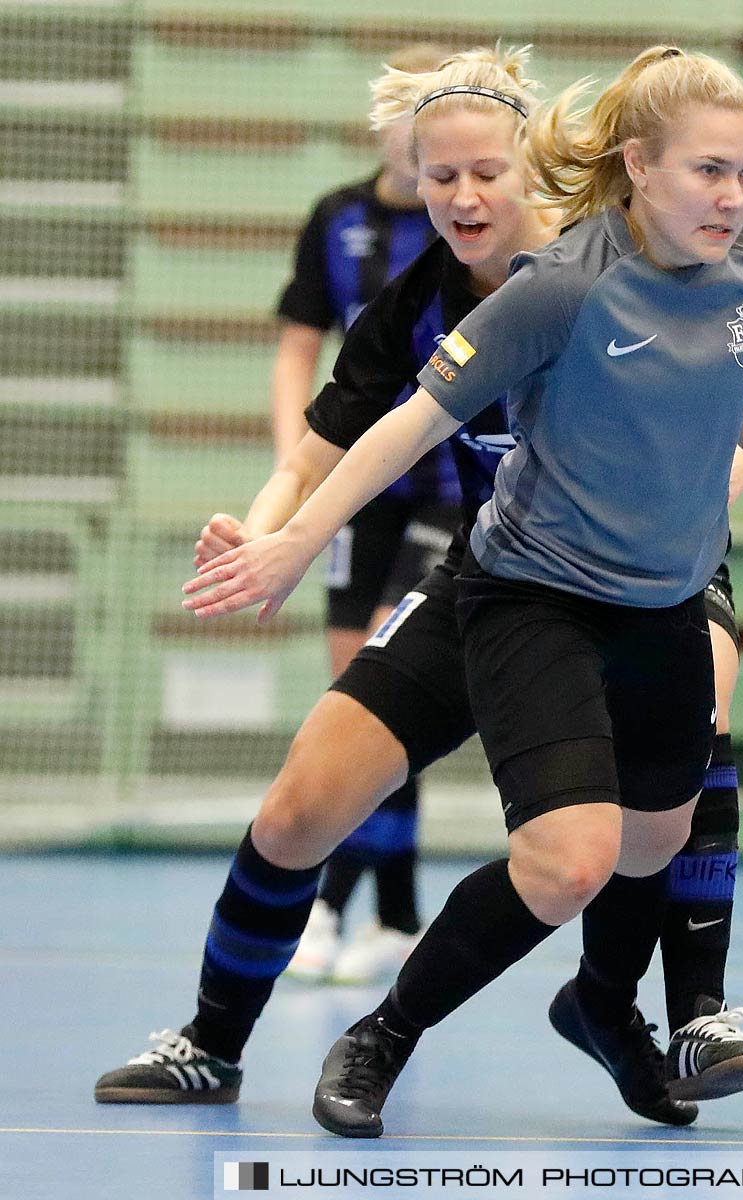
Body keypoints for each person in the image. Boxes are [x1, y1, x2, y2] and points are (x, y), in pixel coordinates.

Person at [182, 44, 743, 1138]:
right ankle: (355, 1034)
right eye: (435, 177)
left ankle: (615, 1002)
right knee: (548, 852)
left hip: (662, 591)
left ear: (526, 165)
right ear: (638, 166)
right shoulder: (548, 290)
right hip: (522, 584)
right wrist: (288, 539)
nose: (460, 196)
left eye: (483, 170)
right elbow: (396, 426)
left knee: (649, 840)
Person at [272, 41, 452, 985]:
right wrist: (293, 465)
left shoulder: (465, 224)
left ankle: (331, 906)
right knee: (356, 691)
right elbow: (299, 346)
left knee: (385, 684)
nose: (414, 127)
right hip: (355, 489)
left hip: (448, 488)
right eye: (402, 107)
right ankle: (396, 911)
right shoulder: (336, 217)